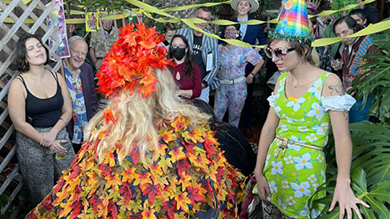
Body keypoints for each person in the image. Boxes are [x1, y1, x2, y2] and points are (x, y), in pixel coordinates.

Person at [26, 23, 245, 218]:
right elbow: (220, 192)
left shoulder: (102, 137)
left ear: (119, 90)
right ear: (164, 84)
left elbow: (74, 194)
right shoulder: (192, 131)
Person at [253, 1, 369, 218]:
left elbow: (342, 138)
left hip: (304, 176)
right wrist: (258, 171)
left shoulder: (329, 82)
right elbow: (269, 127)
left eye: (280, 52)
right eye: (271, 52)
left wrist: (343, 182)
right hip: (274, 170)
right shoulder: (281, 81)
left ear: (303, 50)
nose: (275, 58)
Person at [8, 34, 75, 207]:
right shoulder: (19, 84)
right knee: (43, 196)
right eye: (31, 48)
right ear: (24, 56)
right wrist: (45, 140)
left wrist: (53, 134)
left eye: (39, 46)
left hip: (59, 137)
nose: (38, 50)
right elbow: (19, 123)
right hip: (33, 144)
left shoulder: (56, 77)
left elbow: (68, 111)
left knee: (72, 185)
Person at [332, 16, 381, 123]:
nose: (342, 37)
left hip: (364, 94)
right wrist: (339, 65)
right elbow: (348, 63)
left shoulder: (370, 44)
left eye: (345, 32)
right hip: (348, 92)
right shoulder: (345, 43)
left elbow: (376, 71)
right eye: (338, 35)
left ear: (354, 28)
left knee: (358, 125)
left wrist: (357, 87)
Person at [214, 23, 264, 127]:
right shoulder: (219, 49)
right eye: (227, 30)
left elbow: (260, 61)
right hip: (221, 86)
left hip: (238, 86)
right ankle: (216, 139)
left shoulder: (244, 47)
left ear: (238, 32)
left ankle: (232, 140)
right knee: (217, 115)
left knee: (234, 117)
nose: (230, 32)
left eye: (233, 30)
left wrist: (251, 74)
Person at [229, 0, 267, 133]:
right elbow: (222, 41)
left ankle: (246, 125)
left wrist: (255, 50)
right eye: (240, 4)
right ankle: (231, 126)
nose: (243, 6)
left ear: (250, 8)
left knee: (247, 96)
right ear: (237, 7)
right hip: (232, 68)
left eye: (246, 4)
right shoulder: (230, 24)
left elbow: (263, 41)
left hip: (249, 66)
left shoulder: (255, 25)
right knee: (230, 95)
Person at [191, 99, 256, 176]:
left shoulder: (201, 142)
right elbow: (251, 158)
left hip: (231, 180)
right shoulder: (229, 128)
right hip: (246, 173)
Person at [61, 36, 99, 152]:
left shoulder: (87, 69)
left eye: (83, 53)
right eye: (76, 52)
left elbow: (93, 97)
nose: (80, 56)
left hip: (85, 131)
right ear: (68, 51)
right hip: (65, 131)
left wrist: (93, 121)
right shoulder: (57, 70)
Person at [176, 7, 219, 103]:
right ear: (194, 17)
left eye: (206, 19)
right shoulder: (181, 33)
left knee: (201, 114)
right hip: (181, 85)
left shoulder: (212, 38)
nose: (202, 22)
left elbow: (215, 65)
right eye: (200, 18)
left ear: (209, 22)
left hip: (201, 86)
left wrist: (204, 83)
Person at [168, 34, 202, 100]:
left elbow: (197, 91)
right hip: (169, 106)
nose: (177, 48)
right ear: (171, 48)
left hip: (188, 106)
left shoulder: (194, 68)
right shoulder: (165, 68)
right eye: (174, 46)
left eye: (181, 46)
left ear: (186, 49)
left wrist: (181, 92)